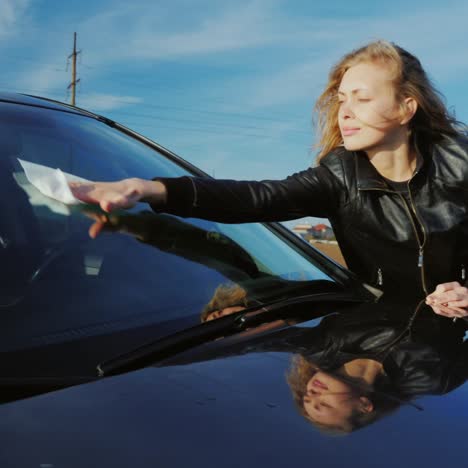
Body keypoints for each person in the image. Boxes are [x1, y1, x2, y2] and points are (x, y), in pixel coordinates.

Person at [69, 40, 468, 318]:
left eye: (361, 99)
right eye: (342, 99)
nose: (344, 112)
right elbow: (256, 198)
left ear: (405, 108)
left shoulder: (459, 160)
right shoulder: (339, 176)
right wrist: (149, 189)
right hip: (392, 333)